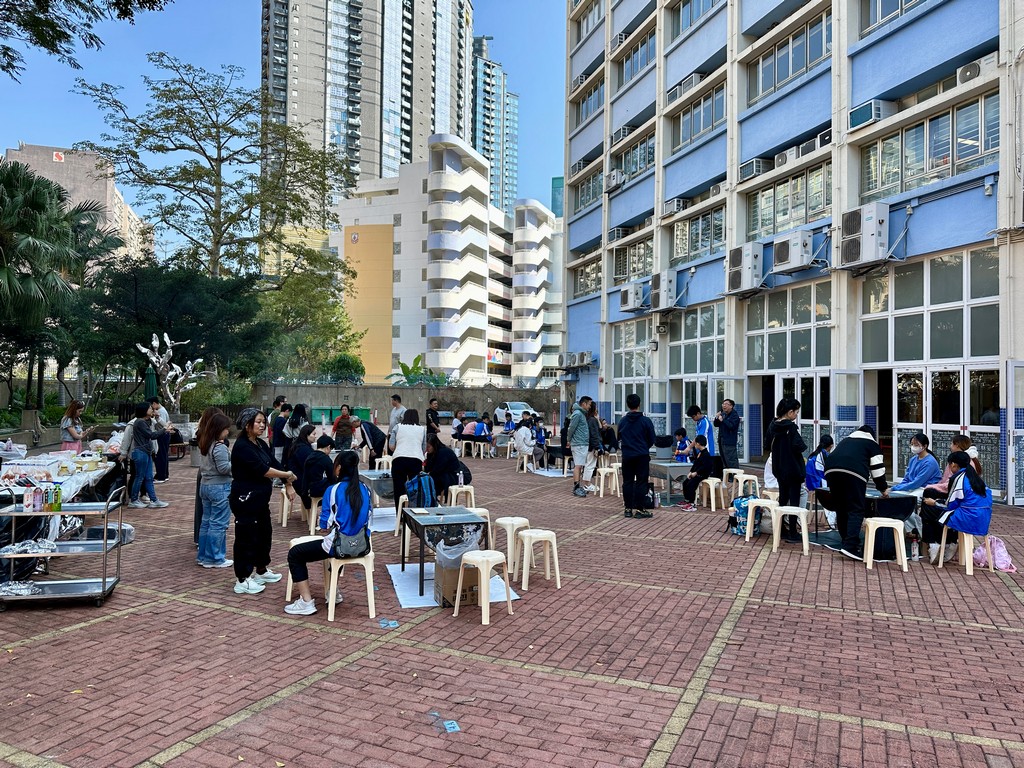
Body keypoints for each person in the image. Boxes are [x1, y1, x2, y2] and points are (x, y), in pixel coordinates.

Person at [284, 450, 372, 615]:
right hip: (361, 545)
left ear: (338, 468)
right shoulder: (366, 489)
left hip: (339, 545)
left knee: (295, 554)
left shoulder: (333, 490)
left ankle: (306, 602)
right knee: (337, 552)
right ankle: (333, 592)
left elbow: (324, 525)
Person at [230, 408, 295, 595]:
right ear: (247, 424)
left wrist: (287, 483)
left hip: (260, 499)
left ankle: (261, 569)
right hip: (245, 499)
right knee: (246, 538)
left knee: (264, 534)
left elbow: (274, 462)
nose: (262, 425)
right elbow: (264, 470)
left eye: (263, 422)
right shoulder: (242, 446)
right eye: (258, 422)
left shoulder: (259, 443)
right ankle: (242, 579)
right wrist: (287, 475)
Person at [823, 424, 889, 561]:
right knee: (856, 509)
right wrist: (883, 488)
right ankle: (851, 546)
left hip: (830, 471)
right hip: (854, 474)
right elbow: (877, 470)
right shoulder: (872, 444)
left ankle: (845, 542)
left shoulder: (846, 440)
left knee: (841, 508)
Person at [921, 451, 992, 565]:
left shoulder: (958, 478)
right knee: (938, 511)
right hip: (984, 519)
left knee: (928, 510)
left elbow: (950, 505)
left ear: (953, 464)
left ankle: (937, 544)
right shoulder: (976, 478)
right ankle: (948, 543)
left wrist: (934, 502)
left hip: (968, 518)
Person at [766, 397, 806, 542]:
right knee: (794, 502)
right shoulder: (791, 428)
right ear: (790, 412)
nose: (796, 415)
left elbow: (767, 444)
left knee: (783, 498)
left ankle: (781, 529)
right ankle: (793, 532)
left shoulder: (773, 425)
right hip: (793, 469)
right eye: (796, 412)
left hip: (779, 468)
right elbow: (800, 446)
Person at [197, 412, 234, 569]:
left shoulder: (206, 444)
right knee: (218, 523)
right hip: (219, 487)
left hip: (206, 486)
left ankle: (203, 556)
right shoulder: (219, 447)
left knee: (207, 522)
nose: (227, 432)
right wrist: (238, 463)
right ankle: (214, 557)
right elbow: (224, 468)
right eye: (226, 429)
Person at [617, 393, 656, 519]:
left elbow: (619, 438)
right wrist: (644, 447)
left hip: (627, 455)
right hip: (641, 455)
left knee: (627, 482)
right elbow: (652, 439)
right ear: (639, 404)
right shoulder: (646, 421)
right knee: (641, 482)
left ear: (627, 405)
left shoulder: (622, 421)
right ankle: (640, 509)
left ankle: (628, 509)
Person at [127, 401, 169, 509]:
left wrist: (157, 418)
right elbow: (151, 435)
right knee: (139, 477)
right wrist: (165, 429)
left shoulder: (147, 421)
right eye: (150, 408)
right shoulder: (139, 422)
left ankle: (154, 500)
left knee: (149, 477)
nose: (152, 410)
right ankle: (134, 499)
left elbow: (157, 425)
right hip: (140, 452)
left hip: (147, 452)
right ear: (144, 410)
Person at [194, 405, 225, 546]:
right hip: (214, 476)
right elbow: (224, 467)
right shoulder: (215, 440)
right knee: (215, 516)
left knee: (204, 512)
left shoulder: (202, 434)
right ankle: (211, 547)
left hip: (204, 473)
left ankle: (200, 540)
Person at [923, 435, 983, 504]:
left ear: (957, 445)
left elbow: (951, 485)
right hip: (954, 490)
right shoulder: (965, 459)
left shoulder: (965, 462)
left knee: (929, 492)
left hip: (957, 492)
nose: (950, 446)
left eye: (951, 443)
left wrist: (933, 487)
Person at [389, 409, 427, 510]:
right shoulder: (422, 429)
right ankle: (413, 511)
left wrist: (400, 448)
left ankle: (399, 513)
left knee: (398, 488)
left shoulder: (397, 427)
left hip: (399, 459)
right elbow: (424, 448)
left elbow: (391, 446)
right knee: (415, 487)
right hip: (416, 459)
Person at [805, 435, 835, 529]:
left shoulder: (813, 455)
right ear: (831, 446)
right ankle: (830, 521)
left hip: (810, 483)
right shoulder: (824, 456)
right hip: (818, 483)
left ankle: (829, 520)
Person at [566, 395, 593, 497]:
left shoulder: (581, 414)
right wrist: (569, 440)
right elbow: (571, 428)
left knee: (580, 465)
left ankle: (578, 486)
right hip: (578, 444)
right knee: (578, 466)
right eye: (589, 404)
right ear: (584, 404)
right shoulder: (577, 414)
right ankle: (576, 487)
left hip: (582, 443)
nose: (590, 406)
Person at [677, 435, 712, 511]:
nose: (694, 445)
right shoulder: (700, 453)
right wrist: (691, 472)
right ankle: (687, 500)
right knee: (685, 482)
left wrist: (696, 473)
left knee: (691, 484)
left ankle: (692, 504)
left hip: (702, 474)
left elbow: (705, 467)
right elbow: (695, 464)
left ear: (698, 444)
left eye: (695, 443)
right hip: (697, 473)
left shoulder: (706, 454)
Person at [286, 424, 316, 513]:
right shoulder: (303, 449)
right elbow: (309, 467)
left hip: (298, 480)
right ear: (307, 435)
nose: (315, 436)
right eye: (313, 434)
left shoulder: (299, 445)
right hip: (301, 483)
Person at [425, 433, 460, 502]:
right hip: (442, 473)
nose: (426, 449)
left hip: (453, 475)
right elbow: (428, 468)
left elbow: (438, 469)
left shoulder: (443, 452)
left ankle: (433, 499)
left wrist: (428, 474)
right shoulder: (431, 453)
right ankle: (431, 499)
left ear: (434, 445)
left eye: (428, 447)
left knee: (430, 480)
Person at [148, 396, 176, 483]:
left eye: (151, 406)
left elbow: (164, 425)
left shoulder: (161, 411)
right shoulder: (162, 410)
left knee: (161, 456)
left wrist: (156, 418)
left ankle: (161, 476)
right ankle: (164, 474)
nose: (151, 409)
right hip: (163, 434)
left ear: (154, 404)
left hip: (162, 435)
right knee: (163, 455)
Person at [302, 436, 336, 505]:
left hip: (306, 490)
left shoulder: (310, 456)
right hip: (318, 491)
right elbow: (332, 477)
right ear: (328, 447)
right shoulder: (325, 459)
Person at [713, 399, 741, 470]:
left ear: (731, 406)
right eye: (723, 404)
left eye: (726, 404)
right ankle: (727, 475)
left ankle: (734, 475)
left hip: (729, 442)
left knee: (731, 460)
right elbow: (716, 424)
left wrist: (723, 420)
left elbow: (731, 426)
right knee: (724, 460)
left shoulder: (734, 415)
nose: (724, 406)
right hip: (721, 440)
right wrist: (716, 418)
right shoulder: (723, 414)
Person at [580, 401, 602, 493]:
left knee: (587, 465)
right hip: (591, 446)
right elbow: (594, 434)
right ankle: (587, 484)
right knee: (590, 465)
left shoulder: (586, 418)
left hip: (585, 445)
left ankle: (586, 483)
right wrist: (596, 447)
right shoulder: (592, 420)